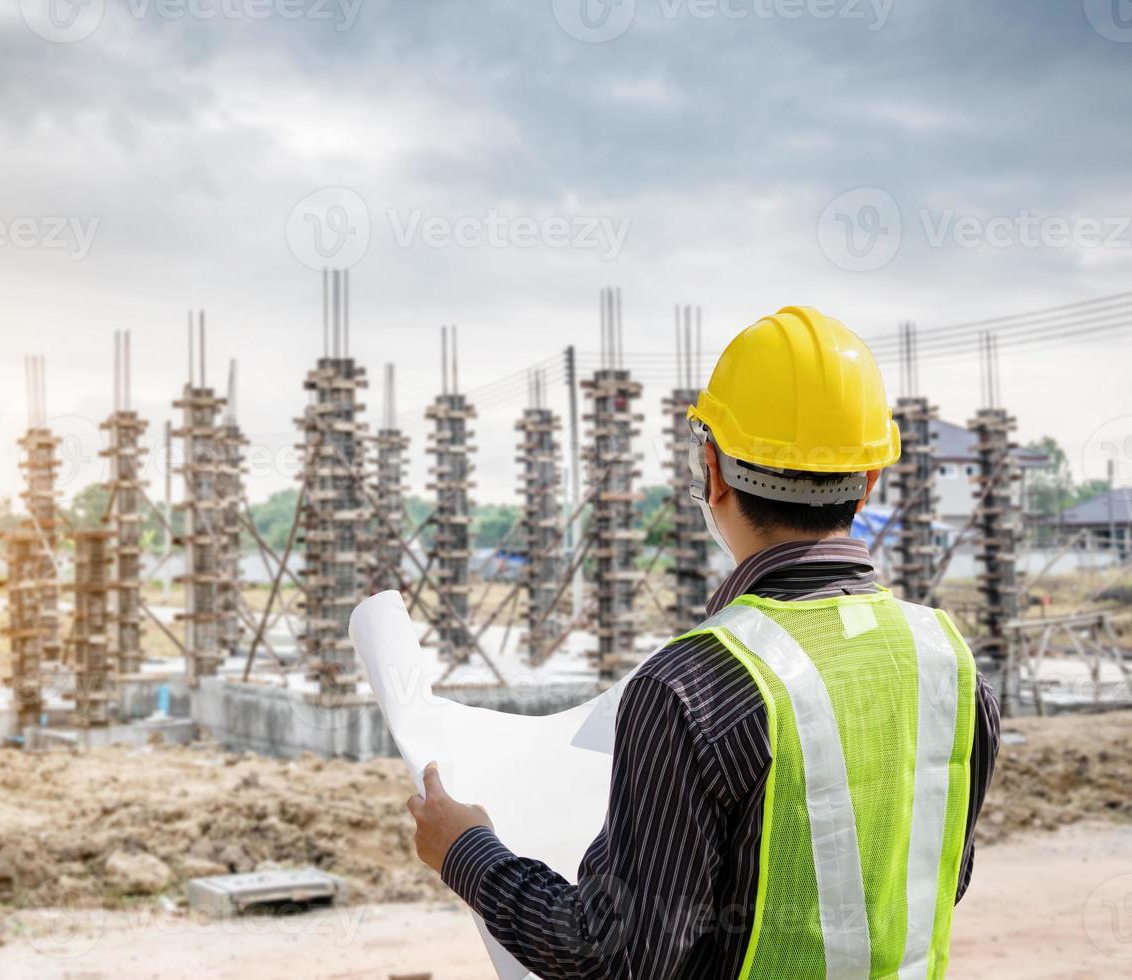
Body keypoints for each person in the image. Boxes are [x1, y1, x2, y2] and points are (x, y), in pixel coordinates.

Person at [406, 306, 999, 979]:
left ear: (711, 470)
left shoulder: (693, 686)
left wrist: (466, 849)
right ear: (869, 481)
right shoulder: (948, 664)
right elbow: (935, 880)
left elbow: (612, 955)